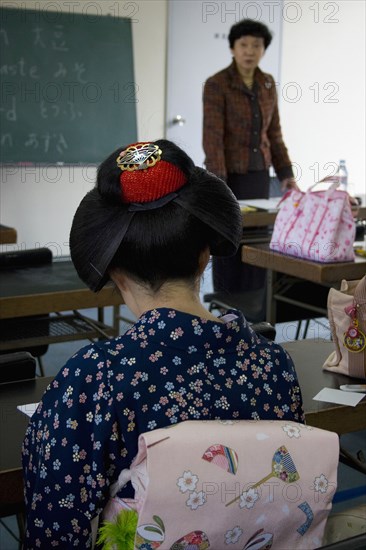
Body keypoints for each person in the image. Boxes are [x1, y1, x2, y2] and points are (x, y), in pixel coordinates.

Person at [22, 139, 304, 548]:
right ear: (206, 254)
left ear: (113, 269)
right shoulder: (274, 365)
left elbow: (55, 531)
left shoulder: (94, 378)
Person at [203, 19, 299, 299]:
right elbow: (213, 138)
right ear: (232, 48)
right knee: (230, 238)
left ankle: (257, 301)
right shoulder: (217, 84)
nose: (249, 50)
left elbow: (275, 134)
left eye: (256, 45)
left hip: (259, 174)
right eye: (243, 44)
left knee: (259, 240)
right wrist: (218, 185)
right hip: (228, 175)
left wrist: (286, 175)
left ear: (263, 49)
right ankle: (228, 300)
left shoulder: (267, 83)